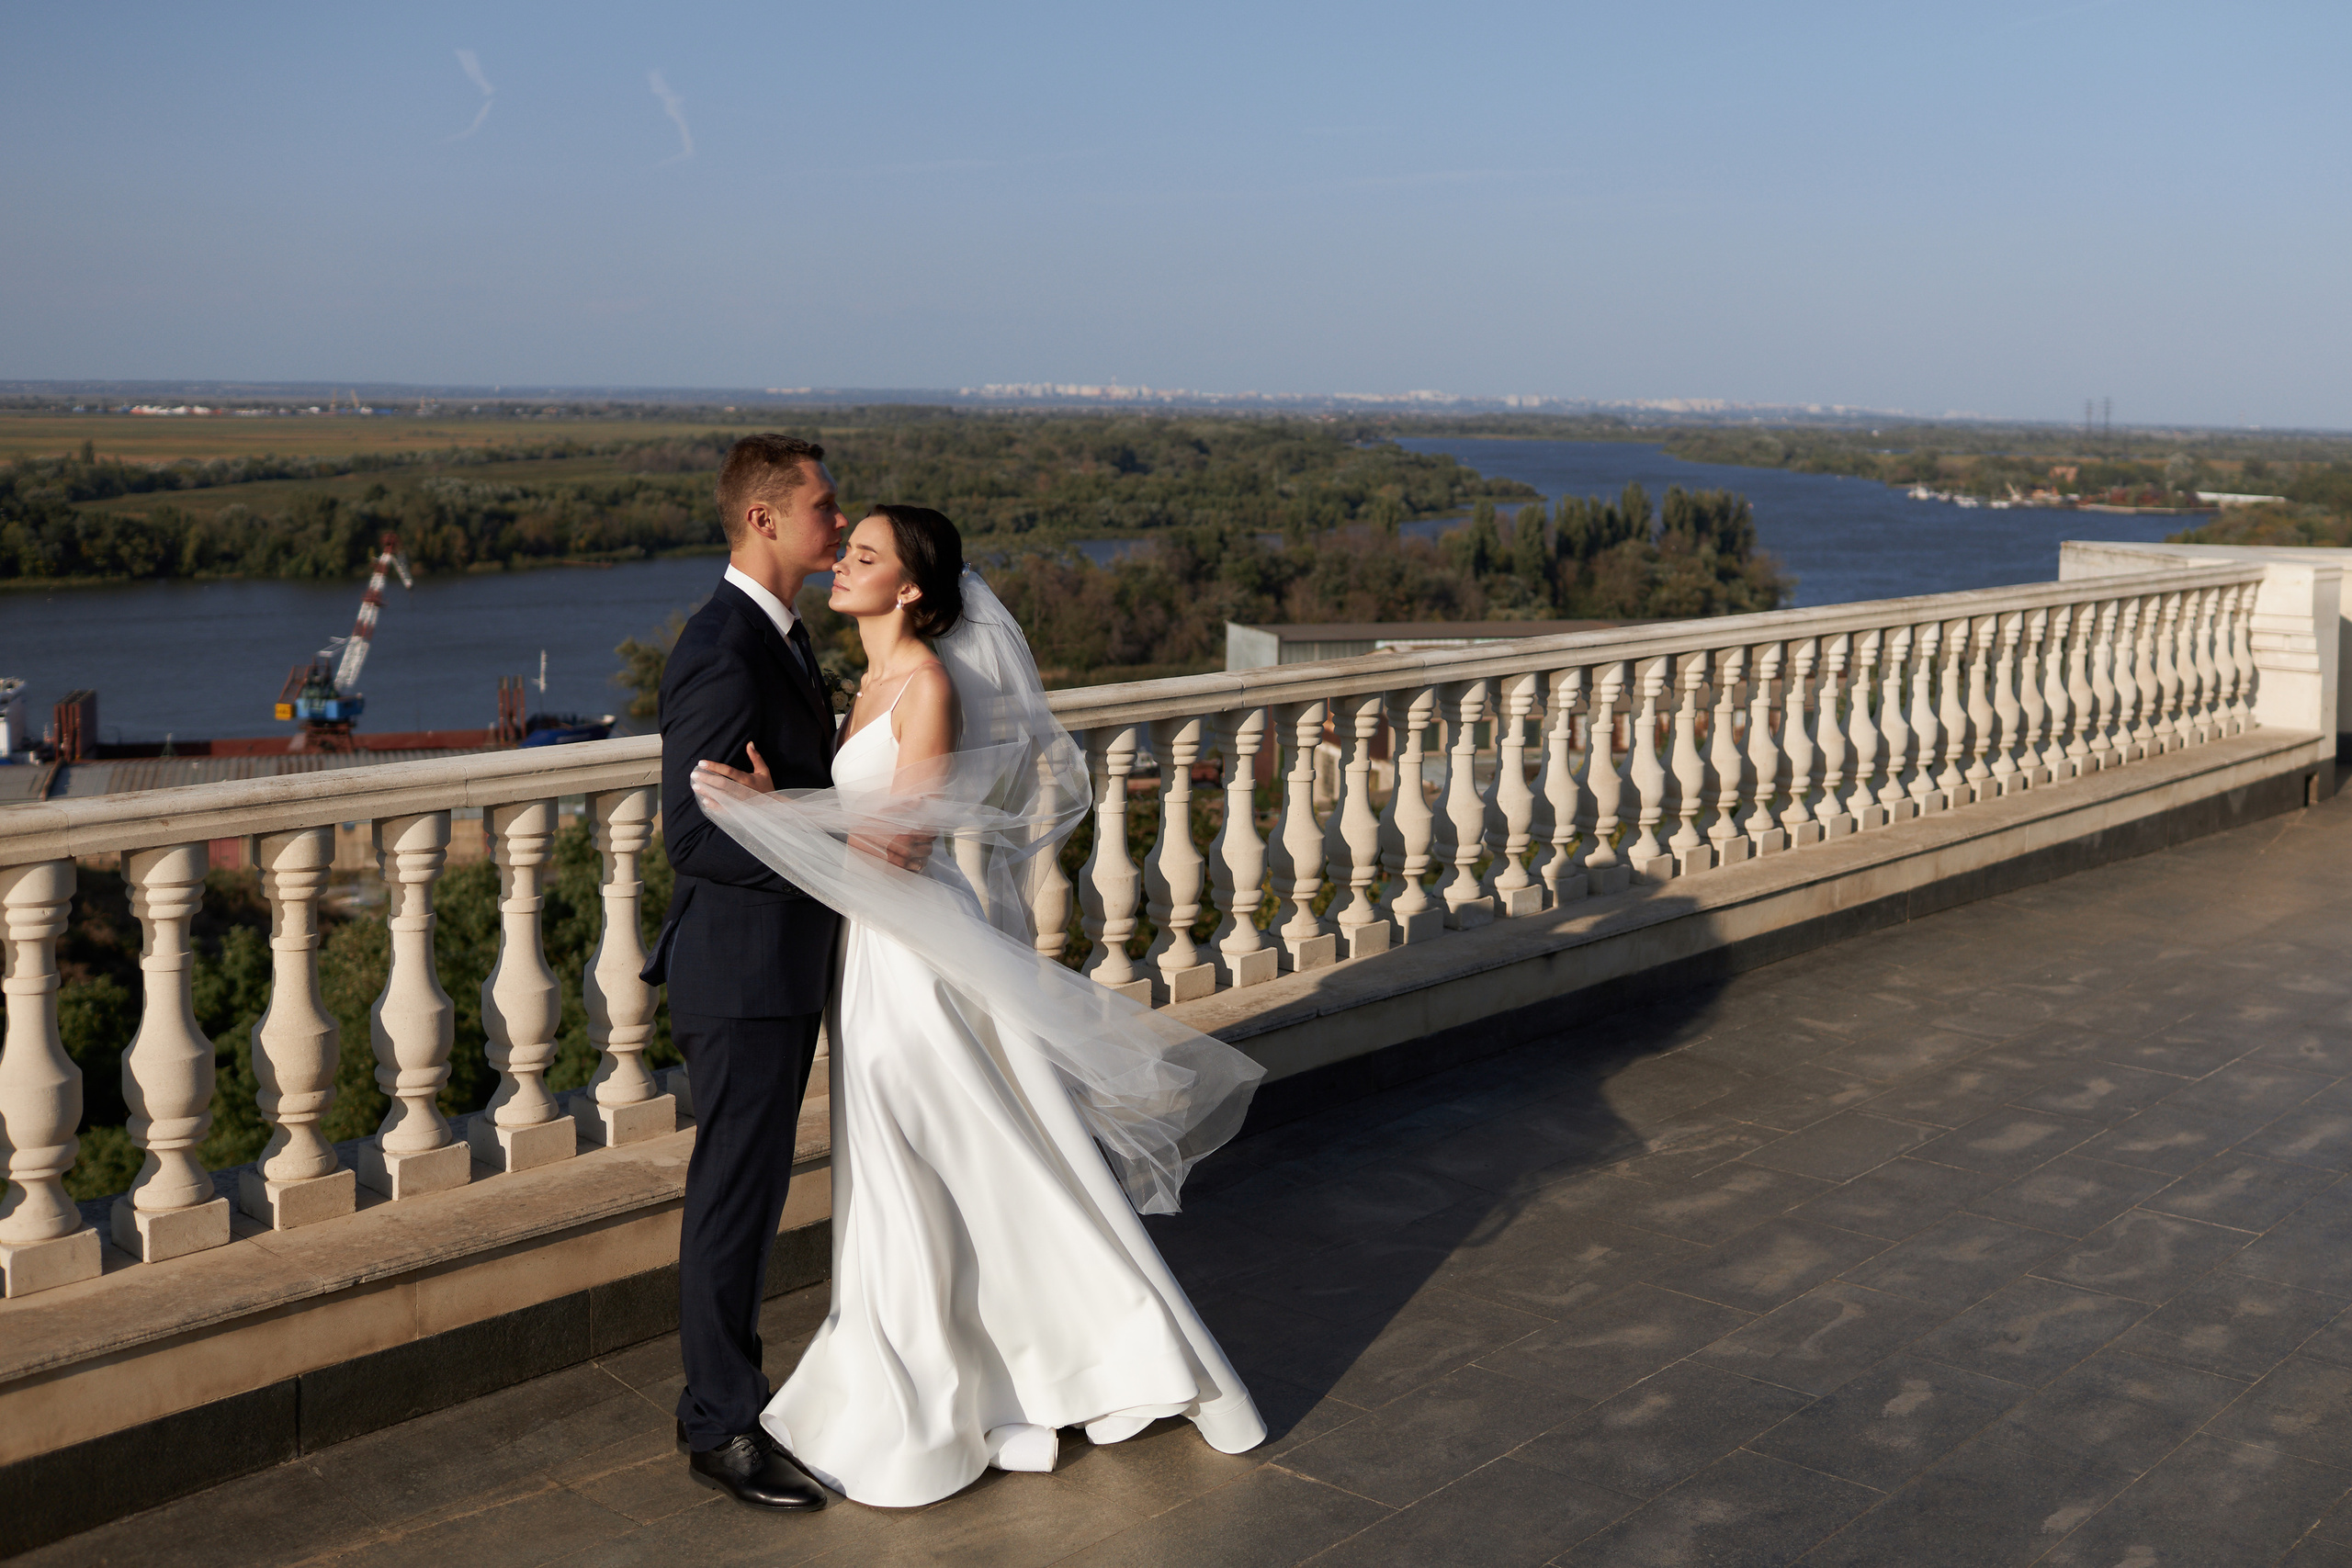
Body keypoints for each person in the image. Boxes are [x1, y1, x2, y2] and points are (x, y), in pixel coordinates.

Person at [693, 504, 1267, 1509]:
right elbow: (862, 817)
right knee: (916, 1156)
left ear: (910, 588)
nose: (843, 564)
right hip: (868, 952)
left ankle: (1035, 1363)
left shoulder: (929, 685)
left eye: (865, 557)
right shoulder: (861, 685)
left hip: (913, 953)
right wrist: (782, 791)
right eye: (847, 547)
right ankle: (959, 1365)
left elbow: (897, 850)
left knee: (944, 1149)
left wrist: (770, 815)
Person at [643, 434, 845, 1510]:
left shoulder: (782, 635)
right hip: (739, 972)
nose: (841, 522)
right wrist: (797, 822)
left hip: (776, 966)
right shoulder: (723, 646)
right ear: (763, 519)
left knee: (754, 1193)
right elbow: (693, 833)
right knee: (733, 1199)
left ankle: (736, 1404)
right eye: (823, 505)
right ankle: (718, 1424)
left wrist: (794, 809)